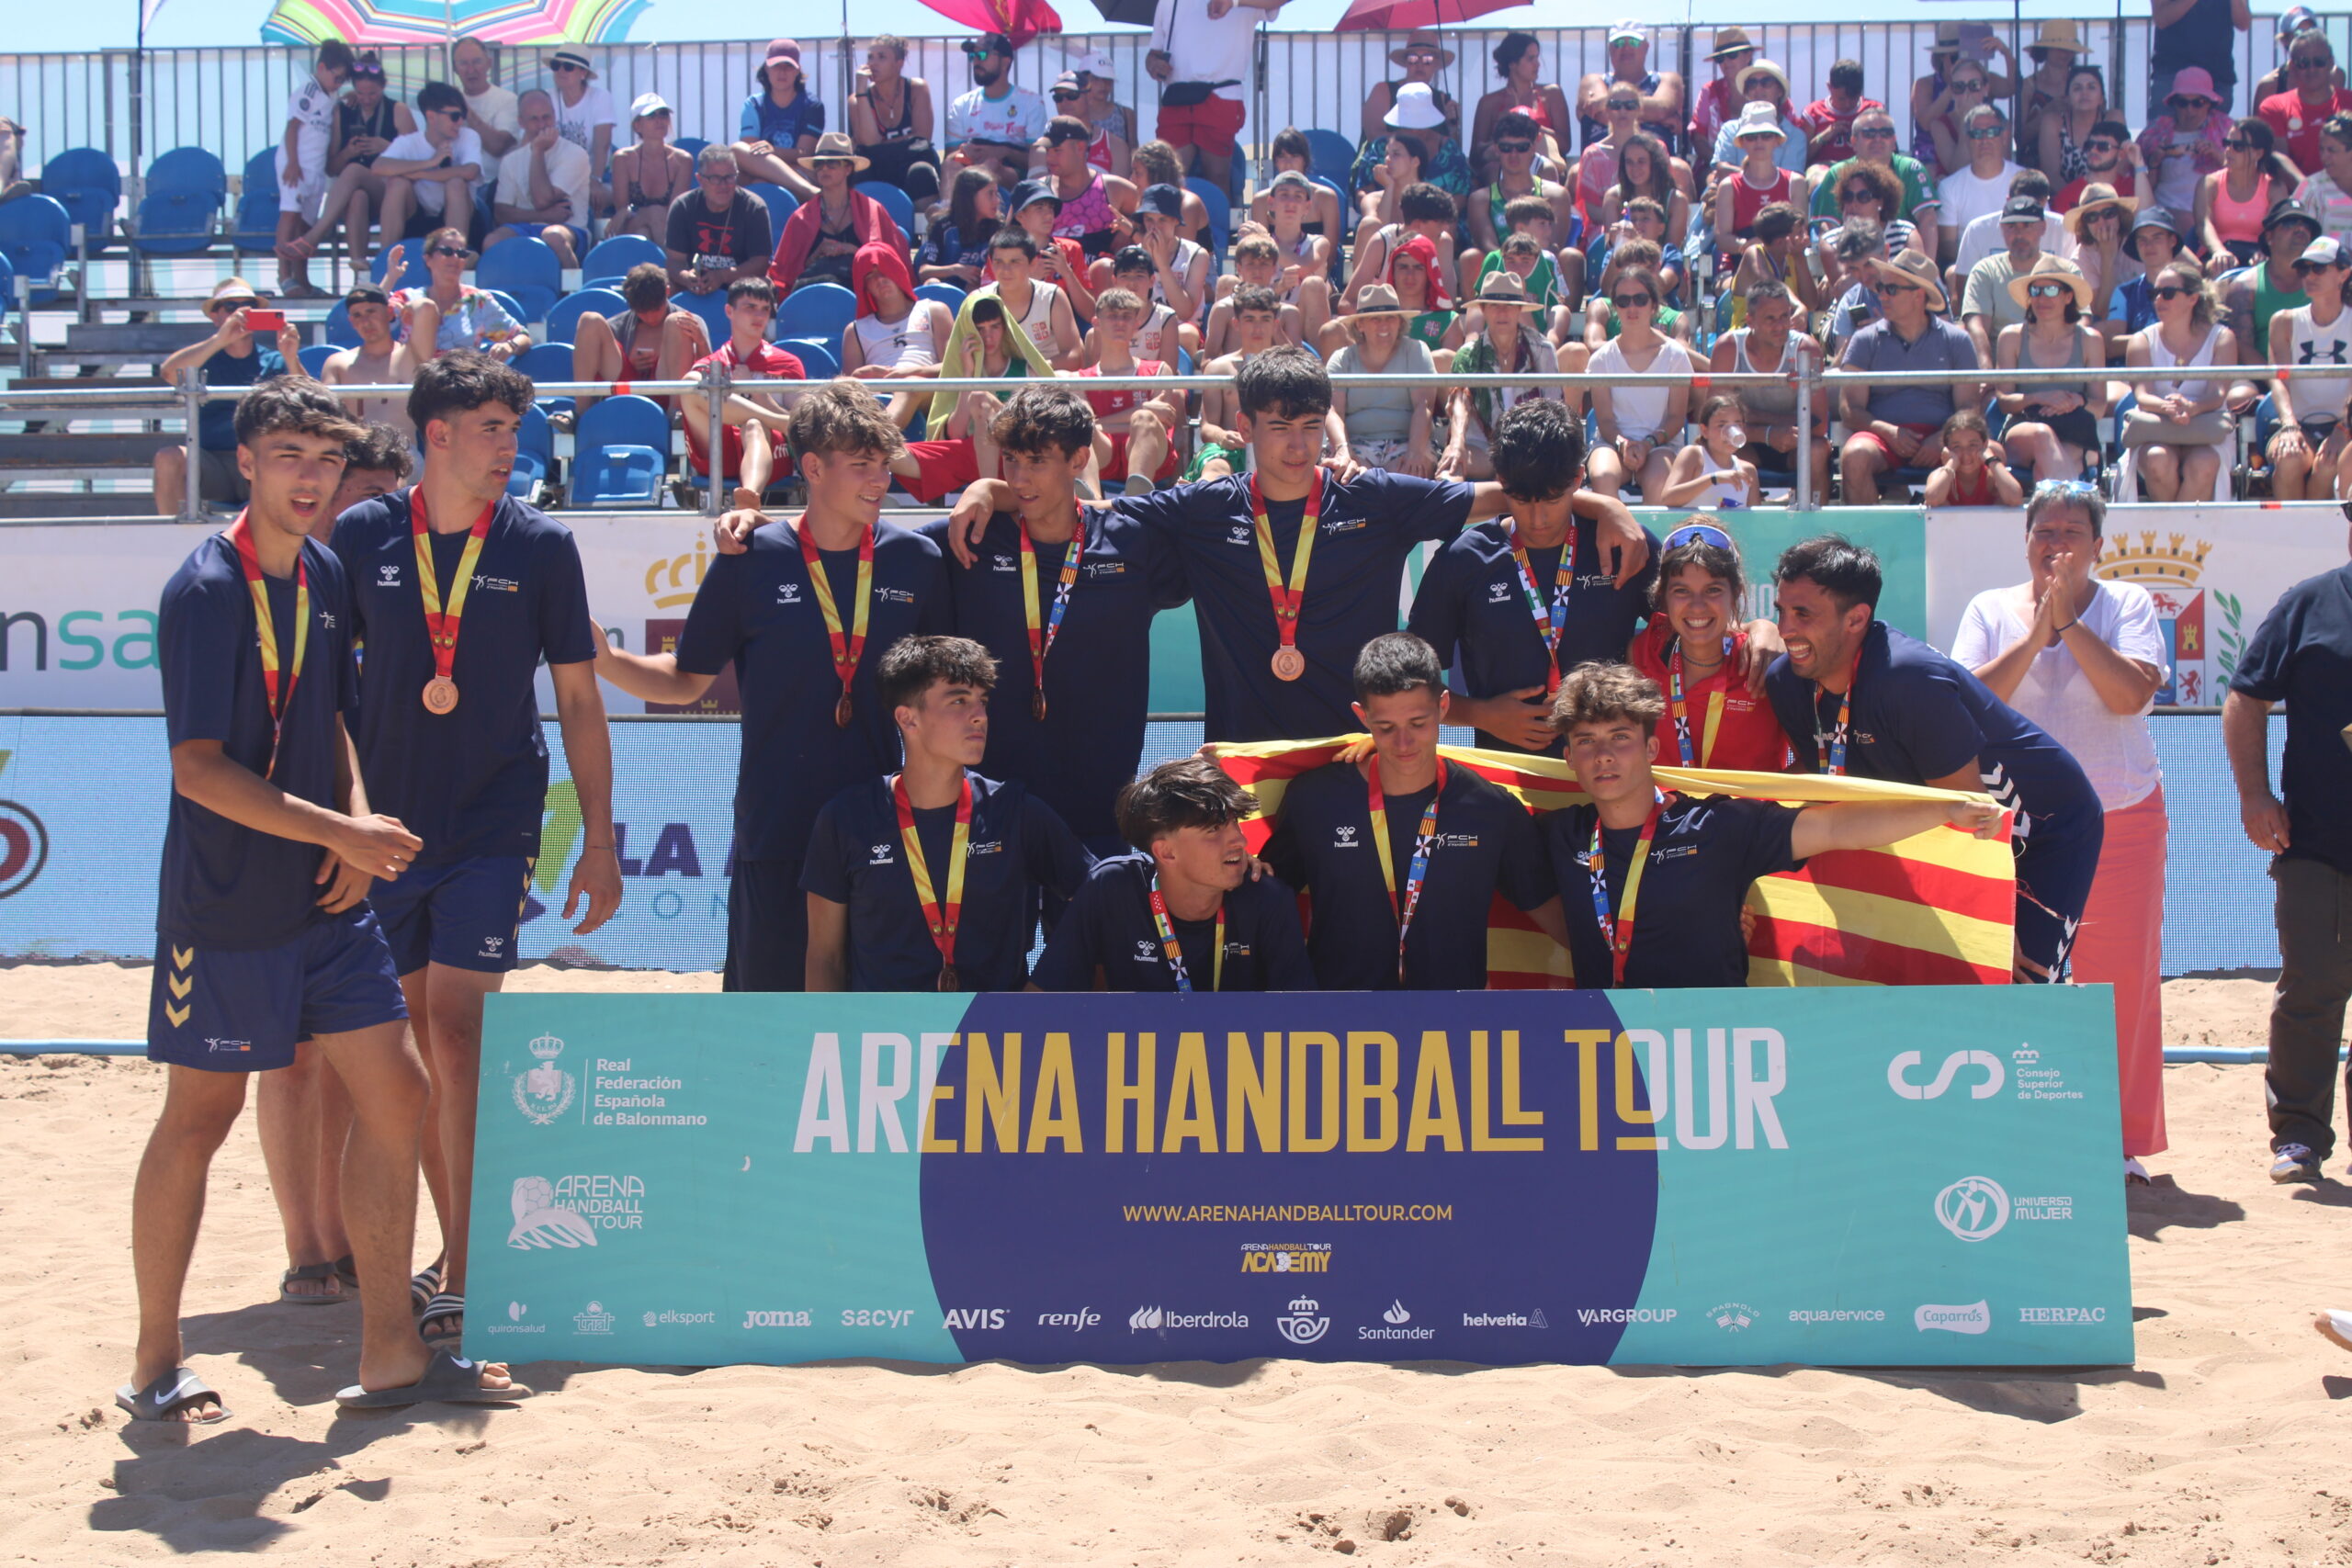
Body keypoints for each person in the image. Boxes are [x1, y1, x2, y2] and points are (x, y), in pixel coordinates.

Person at [128, 374, 524, 1424]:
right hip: (226, 907)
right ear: (246, 462)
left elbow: (338, 724)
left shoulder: (326, 570)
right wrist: (335, 833)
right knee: (199, 1118)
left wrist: (353, 822)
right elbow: (198, 771)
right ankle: (156, 1360)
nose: (310, 478)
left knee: (397, 1094)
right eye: (288, 457)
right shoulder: (206, 590)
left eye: (327, 460)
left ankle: (391, 1348)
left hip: (330, 898)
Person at [328, 351, 619, 1349]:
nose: (511, 446)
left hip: (494, 823)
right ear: (437, 434)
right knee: (411, 1051)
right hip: (385, 830)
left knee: (458, 1036)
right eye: (492, 428)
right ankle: (455, 1246)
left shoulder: (542, 544)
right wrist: (341, 819)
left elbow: (578, 698)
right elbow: (327, 698)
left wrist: (599, 839)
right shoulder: (362, 533)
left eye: (516, 428)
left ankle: (463, 1266)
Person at [942, 347, 1645, 745]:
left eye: (1311, 425)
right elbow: (1086, 509)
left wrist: (1599, 501)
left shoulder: (1371, 498)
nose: (1298, 444)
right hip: (1245, 762)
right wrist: (991, 489)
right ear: (1245, 428)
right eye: (1279, 427)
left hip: (1354, 754)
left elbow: (1500, 494)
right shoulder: (1202, 509)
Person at [595, 382, 951, 992]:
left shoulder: (916, 560)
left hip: (885, 830)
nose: (879, 480)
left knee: (866, 1021)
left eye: (883, 463)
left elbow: (945, 692)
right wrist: (603, 659)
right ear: (812, 467)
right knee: (766, 1017)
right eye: (861, 464)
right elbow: (683, 680)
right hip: (778, 825)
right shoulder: (751, 557)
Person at [1767, 535, 2104, 982]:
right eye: (1781, 611)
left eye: (1803, 614)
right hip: (1961, 822)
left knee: (2017, 987)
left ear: (1857, 619)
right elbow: (1821, 781)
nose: (1785, 629)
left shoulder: (1908, 681)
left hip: (2043, 830)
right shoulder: (1787, 681)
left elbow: (1970, 811)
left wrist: (1993, 929)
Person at [1544, 660, 2000, 990]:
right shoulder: (1559, 835)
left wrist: (1944, 808)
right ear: (1569, 758)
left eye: (1620, 737)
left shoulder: (1717, 825)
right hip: (1606, 1044)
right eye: (1586, 742)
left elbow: (1836, 829)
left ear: (1650, 749)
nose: (1603, 755)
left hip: (1716, 1043)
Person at [1953, 484, 2170, 1178]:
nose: (2057, 544)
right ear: (2025, 541)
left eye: (2072, 532)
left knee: (2120, 982)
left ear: (2098, 546)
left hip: (2122, 815)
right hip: (2008, 826)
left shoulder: (2126, 605)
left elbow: (2130, 695)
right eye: (2044, 531)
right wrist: (2035, 636)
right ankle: (2016, 1131)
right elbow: (1966, 704)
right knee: (2011, 971)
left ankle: (2119, 1141)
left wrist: (2070, 623)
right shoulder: (1989, 609)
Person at [917, 385, 1187, 855]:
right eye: (1010, 461)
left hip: (1101, 810)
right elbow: (868, 549)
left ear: (1080, 459)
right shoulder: (967, 537)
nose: (1020, 479)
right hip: (991, 810)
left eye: (1037, 461)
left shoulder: (1133, 544)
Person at [1262, 633, 1566, 990]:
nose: (1403, 743)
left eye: (1418, 724)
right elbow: (1260, 905)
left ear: (1443, 707)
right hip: (1339, 1020)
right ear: (1362, 716)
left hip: (1452, 1020)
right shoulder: (1314, 800)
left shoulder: (1491, 808)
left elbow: (1561, 921)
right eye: (1386, 728)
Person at [803, 635, 1089, 991]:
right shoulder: (845, 819)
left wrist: (1044, 985)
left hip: (992, 1025)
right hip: (884, 1026)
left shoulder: (1017, 811)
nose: (980, 716)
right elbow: (824, 957)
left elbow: (1101, 901)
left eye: (982, 702)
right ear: (908, 719)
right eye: (959, 701)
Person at [1410, 398, 1665, 758]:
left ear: (1578, 479)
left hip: (1610, 773)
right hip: (1505, 776)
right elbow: (1410, 682)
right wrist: (1481, 716)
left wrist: (1748, 634)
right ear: (1501, 483)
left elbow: (1694, 638)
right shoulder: (1463, 559)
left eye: (1552, 500)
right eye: (1522, 500)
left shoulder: (1625, 543)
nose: (1538, 519)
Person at [2223, 512, 2352, 1183]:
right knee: (2310, 990)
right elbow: (2246, 698)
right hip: (2317, 842)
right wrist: (2254, 794)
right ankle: (2299, 1137)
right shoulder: (2310, 604)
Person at [1028, 756, 1314, 991]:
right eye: (1214, 829)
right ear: (1165, 853)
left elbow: (1302, 1019)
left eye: (1235, 824)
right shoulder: (1110, 887)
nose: (1240, 840)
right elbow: (1038, 1002)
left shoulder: (1268, 898)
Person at [1625, 522, 1791, 772]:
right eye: (1681, 591)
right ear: (1663, 597)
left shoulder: (1765, 662)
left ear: (1736, 594)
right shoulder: (1642, 653)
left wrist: (1767, 628)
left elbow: (1808, 760)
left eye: (1713, 590)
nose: (1697, 606)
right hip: (1664, 799)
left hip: (1753, 799)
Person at [1836, 250, 1985, 503]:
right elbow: (1849, 409)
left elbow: (1969, 407)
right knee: (1855, 455)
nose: (1882, 295)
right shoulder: (1864, 340)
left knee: (1974, 453)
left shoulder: (1957, 340)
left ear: (1919, 294)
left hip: (1944, 436)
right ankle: (1864, 531)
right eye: (1881, 287)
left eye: (1891, 289)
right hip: (1880, 438)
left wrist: (1942, 439)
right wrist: (1888, 432)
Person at [153, 279, 300, 515]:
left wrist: (292, 358)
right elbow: (169, 373)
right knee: (168, 458)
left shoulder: (276, 359)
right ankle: (174, 536)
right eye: (231, 306)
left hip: (261, 461)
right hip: (213, 464)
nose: (241, 312)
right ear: (215, 316)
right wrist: (220, 340)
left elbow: (309, 399)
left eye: (249, 306)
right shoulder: (201, 358)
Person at [278, 51, 416, 280]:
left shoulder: (397, 110)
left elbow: (418, 159)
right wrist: (348, 153)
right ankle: (360, 272)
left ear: (383, 88)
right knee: (357, 196)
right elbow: (332, 168)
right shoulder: (342, 111)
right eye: (360, 93)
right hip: (358, 195)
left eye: (372, 94)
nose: (366, 99)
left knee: (354, 171)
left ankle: (314, 237)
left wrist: (387, 147)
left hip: (392, 191)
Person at [2122, 255, 2238, 501]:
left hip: (2206, 428)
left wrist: (2193, 408)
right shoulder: (2141, 340)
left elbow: (2218, 394)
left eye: (2168, 293)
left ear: (2192, 299)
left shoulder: (2222, 338)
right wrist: (2169, 408)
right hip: (2156, 426)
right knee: (2157, 460)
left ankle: (2174, 526)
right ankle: (2176, 526)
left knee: (2204, 464)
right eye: (2155, 293)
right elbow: (2142, 395)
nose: (2158, 300)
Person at [681, 276, 807, 499]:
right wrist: (776, 419)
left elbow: (800, 429)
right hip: (720, 453)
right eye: (750, 307)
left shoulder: (787, 364)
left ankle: (749, 497)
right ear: (729, 311)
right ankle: (771, 421)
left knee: (754, 425)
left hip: (771, 453)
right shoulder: (710, 365)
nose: (759, 316)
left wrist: (759, 395)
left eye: (765, 309)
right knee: (692, 382)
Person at [1994, 256, 2109, 483]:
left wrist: (2076, 401)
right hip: (2024, 426)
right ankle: (2080, 500)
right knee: (2043, 435)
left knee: (2046, 469)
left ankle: (2055, 503)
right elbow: (2004, 401)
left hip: (2075, 428)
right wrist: (2040, 398)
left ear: (2068, 297)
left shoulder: (2091, 340)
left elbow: (2099, 405)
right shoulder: (2011, 337)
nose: (2042, 298)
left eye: (2051, 291)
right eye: (2035, 291)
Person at [1712, 279, 1830, 499]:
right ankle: (1738, 517)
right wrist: (1768, 434)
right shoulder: (1728, 348)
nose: (1780, 326)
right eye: (1770, 319)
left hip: (1794, 442)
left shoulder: (1806, 349)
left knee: (1818, 450)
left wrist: (1753, 416)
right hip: (1744, 442)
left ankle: (1815, 519)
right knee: (1721, 450)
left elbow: (1818, 424)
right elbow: (1716, 425)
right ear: (1750, 320)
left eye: (1785, 316)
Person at [1147, 0, 1281, 193]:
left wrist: (1233, 2)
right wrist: (1153, 64)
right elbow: (1154, 53)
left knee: (1217, 178)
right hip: (1177, 98)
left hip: (1220, 95)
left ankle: (1219, 214)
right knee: (1168, 180)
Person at [1442, 273, 1564, 482]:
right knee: (1450, 470)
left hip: (1531, 447)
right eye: (1494, 305)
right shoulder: (1466, 354)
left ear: (1519, 310)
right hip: (1481, 449)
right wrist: (1457, 444)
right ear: (1483, 310)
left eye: (1509, 305)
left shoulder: (1543, 349)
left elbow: (1554, 407)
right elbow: (1460, 403)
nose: (1502, 312)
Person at [1585, 265, 1694, 499]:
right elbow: (1605, 421)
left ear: (1654, 305)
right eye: (1623, 301)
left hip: (1662, 445)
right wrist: (1623, 445)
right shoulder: (1601, 359)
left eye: (1640, 299)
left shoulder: (1675, 355)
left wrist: (1648, 444)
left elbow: (1676, 418)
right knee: (1603, 475)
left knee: (1659, 481)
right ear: (1615, 307)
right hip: (1611, 444)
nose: (1632, 307)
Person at [2266, 234, 2352, 499]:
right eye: (2305, 269)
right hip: (2298, 421)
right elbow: (2278, 379)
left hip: (2346, 425)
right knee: (2288, 457)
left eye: (2319, 268)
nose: (2310, 276)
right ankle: (2290, 526)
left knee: (2329, 466)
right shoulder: (2284, 321)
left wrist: (2343, 428)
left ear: (2344, 274)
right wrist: (2289, 426)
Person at [768, 132, 908, 296]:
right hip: (815, 295)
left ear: (848, 169)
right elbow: (785, 276)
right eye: (819, 164)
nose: (824, 168)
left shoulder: (872, 210)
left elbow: (891, 263)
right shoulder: (800, 218)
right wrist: (815, 256)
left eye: (832, 163)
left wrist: (851, 250)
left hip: (864, 294)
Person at [268, 39, 355, 299]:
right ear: (322, 68)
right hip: (297, 165)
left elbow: (330, 110)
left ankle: (302, 279)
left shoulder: (331, 95)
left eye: (343, 80)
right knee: (290, 215)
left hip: (316, 170)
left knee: (306, 226)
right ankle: (284, 275)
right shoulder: (308, 90)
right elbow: (292, 128)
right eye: (336, 78)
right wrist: (293, 162)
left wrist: (344, 98)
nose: (338, 84)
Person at [1075, 287, 1179, 493]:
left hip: (1151, 455)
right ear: (1096, 322)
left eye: (1126, 316)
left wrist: (1104, 422)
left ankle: (1137, 502)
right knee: (1083, 429)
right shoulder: (1079, 380)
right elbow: (1087, 425)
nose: (1120, 322)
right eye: (1112, 316)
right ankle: (1092, 504)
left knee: (1144, 420)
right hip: (1103, 453)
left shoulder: (1159, 370)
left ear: (1136, 324)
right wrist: (1144, 408)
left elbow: (1163, 420)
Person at [1327, 283, 1438, 476]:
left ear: (1400, 322)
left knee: (1408, 477)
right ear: (1359, 325)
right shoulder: (1341, 359)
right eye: (1375, 319)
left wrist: (1415, 451)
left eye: (1390, 318)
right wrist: (1344, 450)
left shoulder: (1416, 350)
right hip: (1354, 443)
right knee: (1352, 477)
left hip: (1409, 442)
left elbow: (1424, 406)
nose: (1384, 325)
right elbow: (1333, 411)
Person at [843, 242, 954, 430]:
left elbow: (952, 368)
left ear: (897, 270)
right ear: (865, 287)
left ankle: (875, 439)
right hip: (876, 394)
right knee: (838, 383)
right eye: (871, 276)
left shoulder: (934, 310)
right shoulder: (855, 330)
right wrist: (862, 374)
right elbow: (849, 387)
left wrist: (909, 373)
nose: (880, 280)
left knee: (909, 387)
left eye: (884, 271)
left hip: (925, 389)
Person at [1810, 107, 1940, 261]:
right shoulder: (1837, 174)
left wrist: (1926, 269)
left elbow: (1928, 220)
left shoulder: (1911, 170)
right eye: (1869, 133)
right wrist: (1842, 267)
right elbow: (1828, 227)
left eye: (1886, 133)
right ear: (1854, 142)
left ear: (1894, 141)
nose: (1878, 139)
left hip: (1903, 257)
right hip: (1850, 260)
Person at [484, 88, 594, 269]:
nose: (542, 124)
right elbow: (501, 214)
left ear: (554, 115)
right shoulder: (510, 161)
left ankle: (572, 286)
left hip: (570, 230)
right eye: (534, 119)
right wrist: (541, 216)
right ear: (521, 122)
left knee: (553, 237)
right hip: (525, 228)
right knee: (492, 241)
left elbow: (542, 199)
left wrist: (537, 151)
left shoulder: (576, 154)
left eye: (546, 117)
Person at [382, 229, 527, 363]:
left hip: (460, 378)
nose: (455, 257)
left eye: (462, 253)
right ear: (428, 259)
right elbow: (374, 316)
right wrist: (391, 277)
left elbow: (522, 336)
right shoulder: (409, 298)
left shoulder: (478, 301)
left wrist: (510, 346)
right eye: (447, 251)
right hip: (413, 377)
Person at [373, 83, 485, 252]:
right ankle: (386, 256)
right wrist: (430, 162)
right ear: (431, 117)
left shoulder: (468, 136)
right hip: (418, 218)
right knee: (397, 184)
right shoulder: (409, 142)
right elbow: (378, 167)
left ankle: (457, 253)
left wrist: (419, 174)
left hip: (461, 219)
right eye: (455, 116)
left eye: (463, 115)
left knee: (456, 183)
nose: (460, 122)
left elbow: (470, 171)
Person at [658, 145, 775, 306]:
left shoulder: (753, 207)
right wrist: (686, 277)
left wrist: (722, 276)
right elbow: (674, 261)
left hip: (739, 282)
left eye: (729, 177)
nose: (723, 185)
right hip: (696, 283)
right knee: (664, 284)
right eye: (715, 178)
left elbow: (760, 263)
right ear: (700, 179)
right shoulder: (683, 206)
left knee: (765, 285)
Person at [2222, 198, 2321, 370]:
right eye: (2290, 223)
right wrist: (2278, 381)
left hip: (2317, 374)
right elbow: (2243, 348)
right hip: (2260, 377)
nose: (2301, 229)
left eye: (2307, 226)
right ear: (2269, 236)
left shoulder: (2324, 281)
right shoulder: (2245, 286)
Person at [319, 282, 419, 442]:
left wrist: (406, 309)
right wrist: (291, 358)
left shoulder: (411, 356)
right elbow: (322, 413)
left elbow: (426, 309)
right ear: (352, 322)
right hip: (356, 452)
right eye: (357, 315)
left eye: (371, 312)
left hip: (405, 452)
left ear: (389, 313)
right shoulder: (338, 363)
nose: (365, 322)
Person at [850, 33, 942, 207]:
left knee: (921, 172)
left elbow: (922, 137)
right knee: (860, 175)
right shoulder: (857, 100)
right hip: (878, 167)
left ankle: (924, 223)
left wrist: (883, 146)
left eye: (881, 57)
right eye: (870, 57)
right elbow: (870, 143)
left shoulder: (916, 89)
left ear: (899, 63)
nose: (873, 63)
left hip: (912, 163)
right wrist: (861, 92)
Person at [947, 31, 1048, 188]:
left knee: (991, 165)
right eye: (973, 56)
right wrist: (964, 152)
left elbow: (1038, 160)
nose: (976, 61)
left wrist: (1005, 152)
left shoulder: (1031, 102)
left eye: (983, 55)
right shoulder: (961, 104)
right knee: (949, 165)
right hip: (970, 169)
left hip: (1013, 175)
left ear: (1005, 62)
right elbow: (951, 156)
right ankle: (947, 204)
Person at [1962, 195, 2055, 361]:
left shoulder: (2064, 271)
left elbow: (2081, 322)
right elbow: (1976, 326)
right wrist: (1986, 369)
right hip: (2000, 365)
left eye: (2027, 226)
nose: (2019, 234)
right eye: (2011, 227)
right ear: (2002, 229)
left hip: (2054, 362)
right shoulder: (1985, 271)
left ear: (2043, 228)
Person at [732, 37, 826, 200]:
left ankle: (808, 190)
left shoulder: (812, 105)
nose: (782, 72)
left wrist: (773, 151)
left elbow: (805, 154)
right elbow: (751, 154)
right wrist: (774, 163)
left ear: (797, 71)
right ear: (767, 69)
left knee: (760, 181)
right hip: (763, 171)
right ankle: (810, 192)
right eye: (776, 66)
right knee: (737, 149)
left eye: (788, 66)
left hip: (798, 172)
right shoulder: (753, 104)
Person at [1713, 103, 1807, 262]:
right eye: (1751, 137)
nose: (1759, 141)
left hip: (1785, 264)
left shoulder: (1795, 182)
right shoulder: (1729, 186)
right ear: (1742, 142)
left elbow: (1800, 234)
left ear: (1776, 140)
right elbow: (1722, 238)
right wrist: (1751, 246)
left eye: (1766, 135)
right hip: (1740, 264)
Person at [1473, 31, 1574, 176]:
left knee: (1547, 168)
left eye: (1537, 57)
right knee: (1493, 169)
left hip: (1542, 168)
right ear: (1512, 63)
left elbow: (1565, 145)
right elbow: (1475, 158)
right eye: (1531, 58)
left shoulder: (1551, 94)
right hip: (1503, 172)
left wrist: (1533, 126)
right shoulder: (1488, 103)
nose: (1538, 64)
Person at [2199, 118, 2300, 264]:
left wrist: (2264, 252)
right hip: (2217, 258)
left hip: (2259, 258)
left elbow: (2276, 230)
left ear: (2258, 153)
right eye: (2227, 143)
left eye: (2238, 146)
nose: (2229, 150)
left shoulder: (2275, 188)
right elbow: (2203, 223)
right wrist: (2219, 251)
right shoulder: (2209, 183)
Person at [1042, 114, 1138, 262]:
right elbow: (1012, 238)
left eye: (1057, 150)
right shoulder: (1038, 191)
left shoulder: (1113, 189)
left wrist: (1131, 229)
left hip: (1104, 274)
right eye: (1047, 151)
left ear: (1080, 147)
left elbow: (1155, 216)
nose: (1049, 158)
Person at [983, 227, 1084, 365]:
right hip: (997, 376)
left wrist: (1027, 371)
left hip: (1046, 375)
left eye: (1015, 262)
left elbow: (1074, 355)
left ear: (1033, 264)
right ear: (991, 263)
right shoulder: (979, 300)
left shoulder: (1052, 297)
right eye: (999, 262)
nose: (1006, 270)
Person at [1577, 20, 1683, 151]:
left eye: (1634, 42)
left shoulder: (1667, 79)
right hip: (1602, 158)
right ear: (1610, 49)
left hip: (1655, 159)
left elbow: (1661, 109)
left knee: (1678, 164)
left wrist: (1609, 105)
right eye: (1619, 43)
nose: (1626, 48)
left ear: (1646, 47)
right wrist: (1654, 116)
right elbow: (1597, 110)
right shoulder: (1592, 80)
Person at [1938, 104, 2021, 265]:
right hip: (1971, 267)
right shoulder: (1949, 187)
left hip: (2018, 265)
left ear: (2004, 137)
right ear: (1967, 140)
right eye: (1976, 134)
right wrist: (1984, 262)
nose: (1984, 140)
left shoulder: (2024, 180)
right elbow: (1947, 244)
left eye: (1992, 132)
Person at [2141, 67, 2231, 217]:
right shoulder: (2157, 130)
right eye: (2182, 103)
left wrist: (2218, 155)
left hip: (2209, 213)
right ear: (2174, 103)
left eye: (2198, 103)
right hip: (2162, 213)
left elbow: (2244, 176)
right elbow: (2136, 181)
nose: (2190, 110)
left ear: (2209, 103)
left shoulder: (2226, 129)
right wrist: (2155, 162)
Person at [606, 91, 692, 245]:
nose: (659, 120)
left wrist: (646, 213)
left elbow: (674, 212)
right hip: (630, 226)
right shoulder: (623, 159)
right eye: (651, 116)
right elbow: (621, 210)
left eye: (663, 114)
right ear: (637, 125)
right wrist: (648, 213)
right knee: (652, 216)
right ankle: (671, 261)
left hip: (665, 226)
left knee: (644, 232)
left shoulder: (682, 160)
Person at [2263, 34, 2352, 176]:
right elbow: (2279, 163)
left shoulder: (2349, 101)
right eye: (2303, 63)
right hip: (2298, 189)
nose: (2312, 69)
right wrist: (2310, 188)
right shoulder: (2274, 107)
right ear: (2292, 67)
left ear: (2331, 63)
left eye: (2319, 62)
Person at [2150, 0, 2251, 118]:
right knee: (2163, 128)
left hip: (2218, 76)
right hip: (2172, 74)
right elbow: (2161, 19)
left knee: (2217, 130)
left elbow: (2244, 24)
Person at [1728, 203, 1822, 328]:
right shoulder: (1754, 253)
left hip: (1783, 331)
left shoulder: (1793, 256)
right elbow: (1772, 286)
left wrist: (1800, 258)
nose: (1806, 238)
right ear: (1780, 241)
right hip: (1749, 331)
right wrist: (1798, 306)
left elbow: (1811, 304)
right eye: (1800, 233)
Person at [1658, 396, 1759, 510]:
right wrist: (1713, 478)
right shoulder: (1693, 455)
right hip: (1696, 522)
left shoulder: (1748, 470)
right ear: (1705, 431)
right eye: (1721, 425)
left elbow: (1755, 517)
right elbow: (1668, 498)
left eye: (1737, 425)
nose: (1730, 432)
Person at [545, 47, 616, 199]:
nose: (560, 71)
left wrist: (596, 180)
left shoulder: (600, 97)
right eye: (556, 66)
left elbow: (602, 146)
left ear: (583, 73)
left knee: (598, 198)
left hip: (593, 173)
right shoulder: (546, 98)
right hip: (555, 174)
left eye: (568, 67)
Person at [448, 35, 519, 187]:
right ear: (454, 68)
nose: (471, 70)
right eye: (463, 63)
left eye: (477, 62)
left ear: (489, 64)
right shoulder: (448, 102)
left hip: (495, 183)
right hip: (457, 181)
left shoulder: (508, 100)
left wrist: (463, 106)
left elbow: (498, 147)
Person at [2107, 209, 2187, 336]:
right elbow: (2113, 341)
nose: (2149, 246)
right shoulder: (2124, 293)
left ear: (2172, 241)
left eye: (2157, 238)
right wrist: (2157, 339)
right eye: (2142, 240)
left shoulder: (2192, 287)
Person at [920, 166, 1002, 288]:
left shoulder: (998, 227)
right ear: (970, 196)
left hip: (981, 291)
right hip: (947, 291)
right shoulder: (943, 226)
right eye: (990, 194)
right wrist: (955, 270)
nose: (997, 200)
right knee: (932, 282)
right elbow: (924, 272)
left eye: (996, 193)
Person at [1923, 407, 2023, 506]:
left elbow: (2015, 499)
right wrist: (1951, 464)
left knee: (2005, 499)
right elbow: (1932, 499)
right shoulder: (1940, 475)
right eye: (1957, 446)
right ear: (1947, 449)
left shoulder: (1992, 476)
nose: (1966, 454)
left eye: (1972, 445)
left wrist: (1992, 460)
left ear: (1984, 445)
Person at [1797, 58, 1882, 174]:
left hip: (1863, 170)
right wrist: (1824, 136)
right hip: (1824, 172)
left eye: (1853, 98)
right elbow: (1801, 158)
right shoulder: (1813, 113)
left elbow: (1888, 152)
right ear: (1829, 87)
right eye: (1841, 99)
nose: (1847, 104)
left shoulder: (1873, 111)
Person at [1920, 54, 1997, 181]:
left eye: (1974, 85)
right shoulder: (1939, 125)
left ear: (1985, 89)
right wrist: (1966, 121)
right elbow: (1957, 171)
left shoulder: (1999, 123)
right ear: (1952, 92)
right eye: (1959, 87)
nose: (1967, 93)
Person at [1688, 27, 1758, 161]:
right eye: (1720, 58)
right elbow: (1699, 138)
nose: (1726, 62)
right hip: (1715, 166)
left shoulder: (1768, 86)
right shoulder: (1709, 91)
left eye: (1732, 55)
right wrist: (1719, 164)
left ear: (1748, 56)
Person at [2038, 66, 2112, 188]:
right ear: (2067, 99)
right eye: (2077, 88)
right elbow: (2051, 176)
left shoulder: (2111, 120)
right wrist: (2077, 198)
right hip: (2063, 196)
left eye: (2091, 87)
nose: (2084, 93)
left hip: (2107, 195)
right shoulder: (2053, 123)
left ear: (2101, 99)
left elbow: (2119, 171)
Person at [2296, 111, 2352, 241]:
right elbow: (2297, 235)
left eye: (2332, 150)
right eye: (2321, 149)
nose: (2324, 156)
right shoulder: (2311, 188)